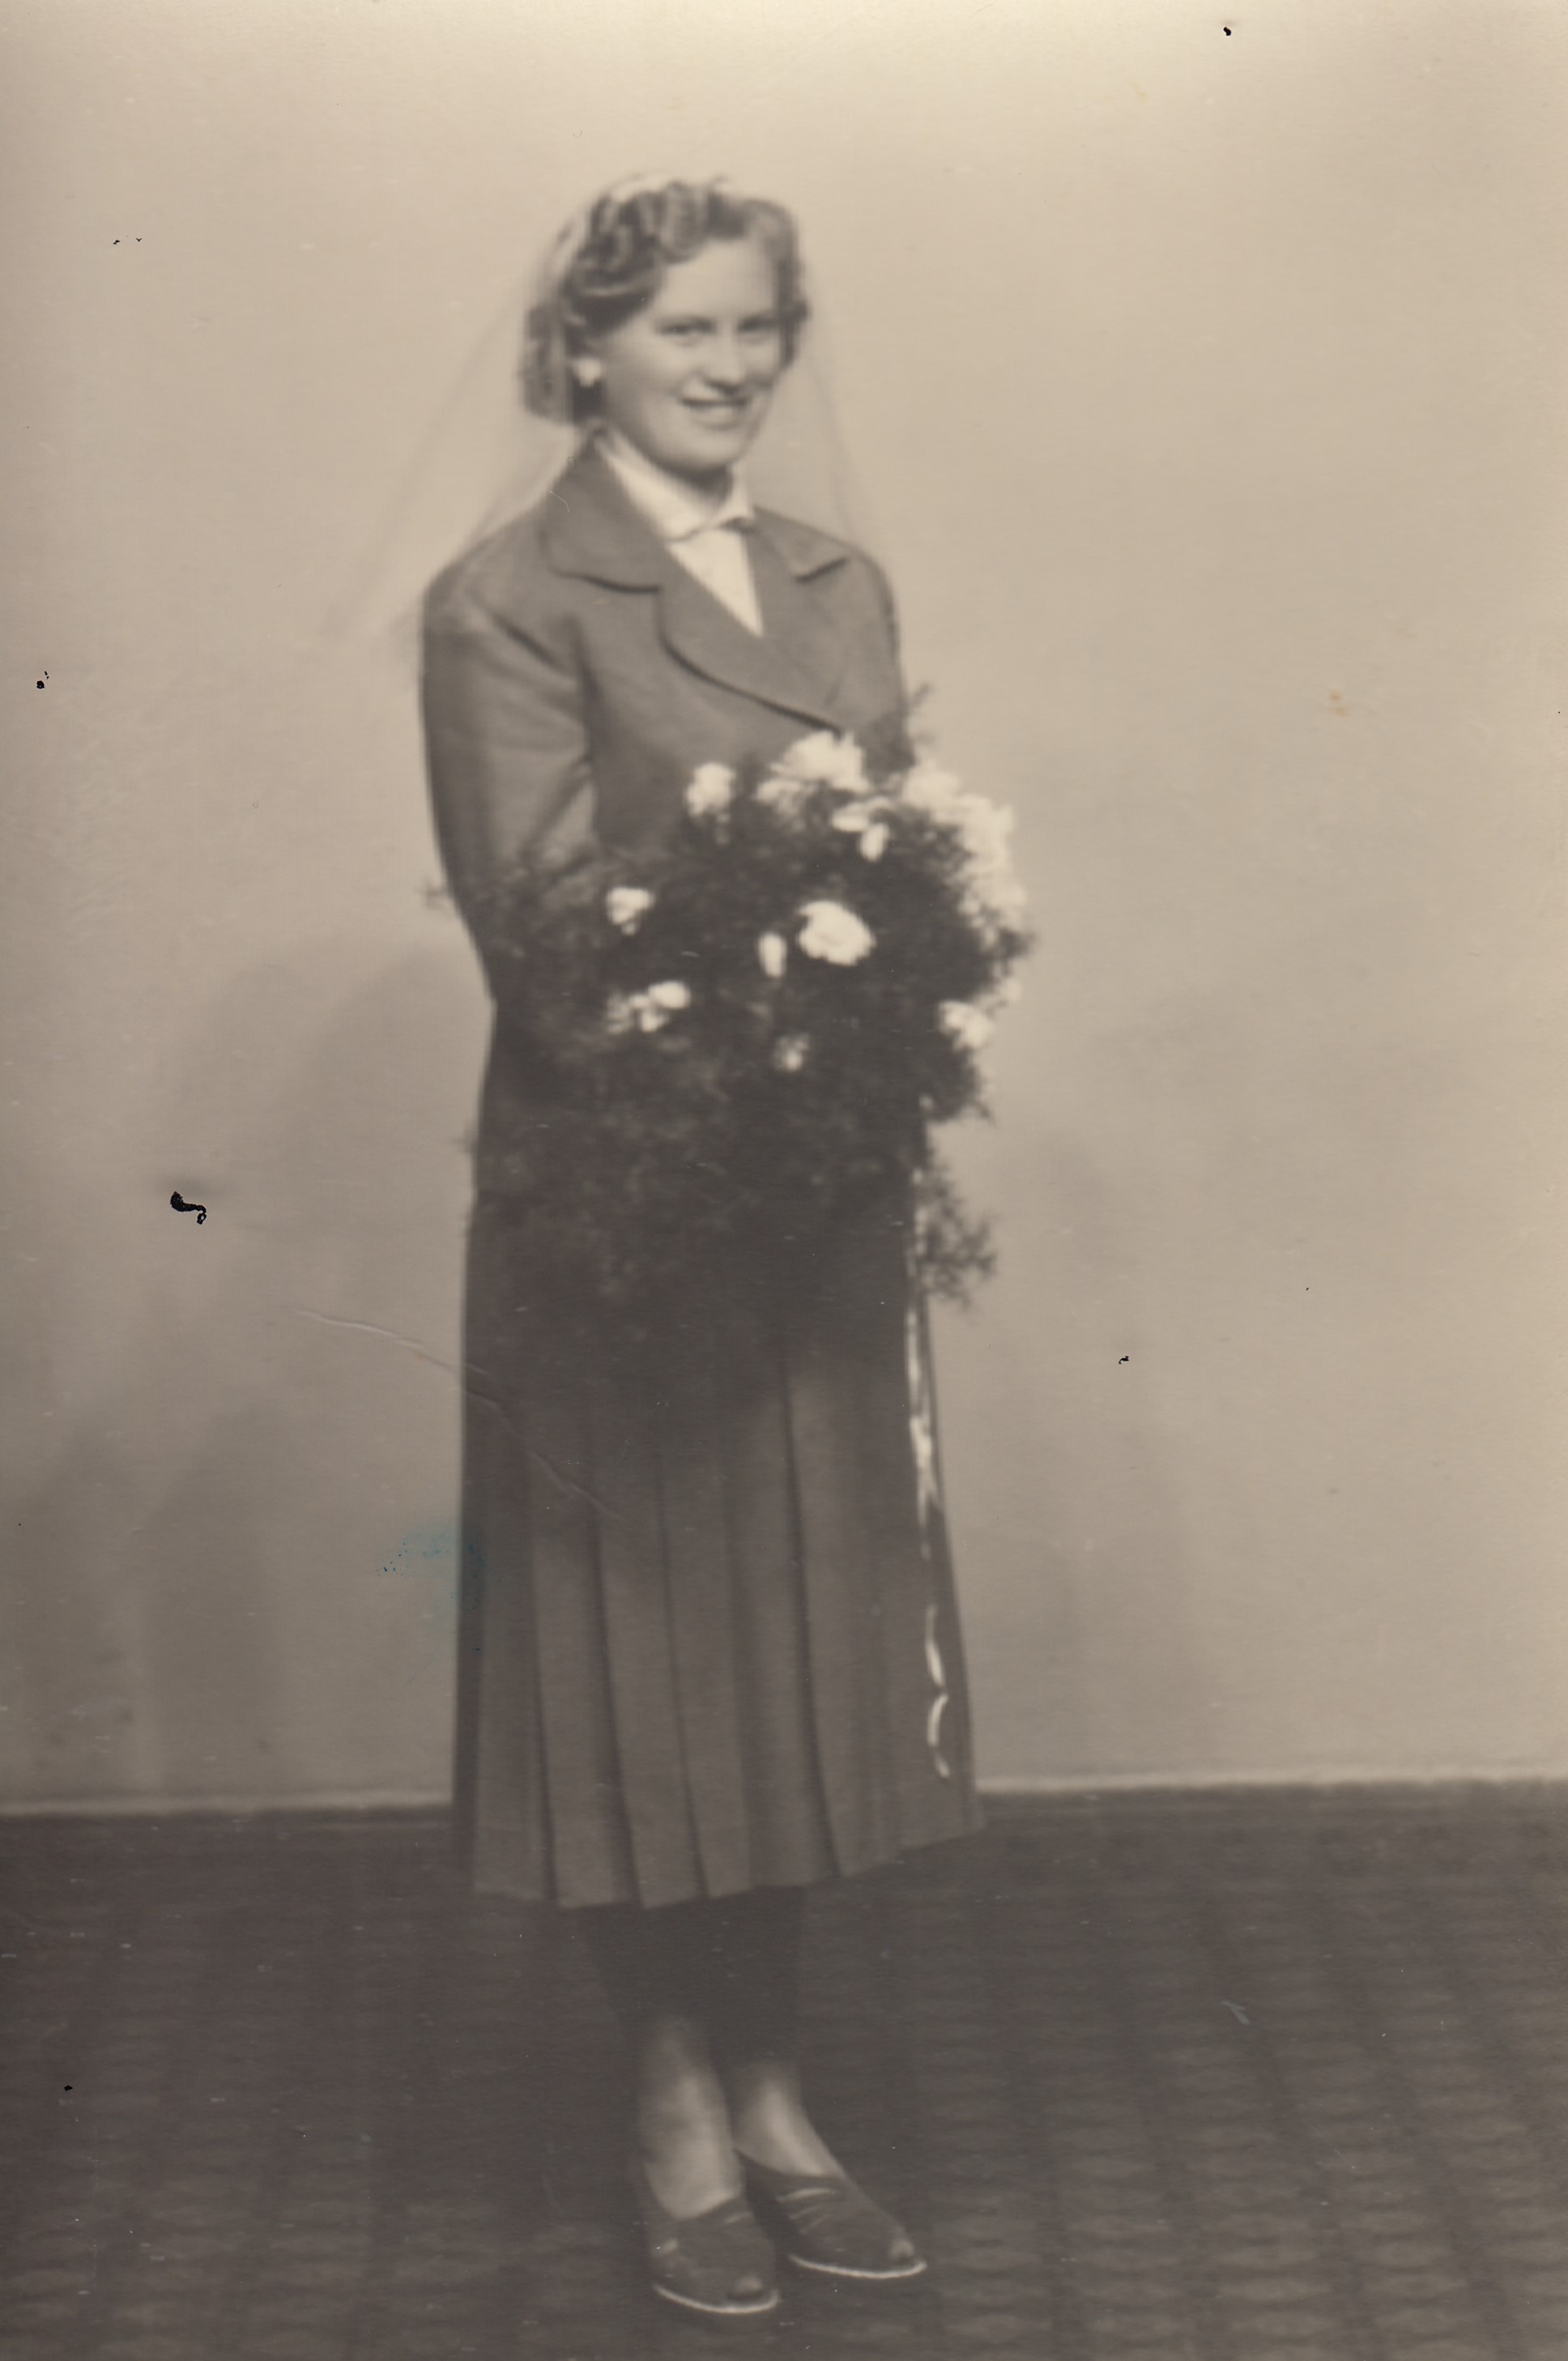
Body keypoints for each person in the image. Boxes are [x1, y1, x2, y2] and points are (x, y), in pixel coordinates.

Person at [419, 175, 983, 2321]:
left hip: (820, 1211)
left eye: (757, 330)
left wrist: (889, 1020)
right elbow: (554, 941)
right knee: (645, 1673)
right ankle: (673, 2105)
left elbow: (898, 869)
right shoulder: (510, 602)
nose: (730, 369)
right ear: (588, 352)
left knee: (795, 1663)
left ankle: (777, 2092)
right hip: (636, 1205)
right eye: (685, 332)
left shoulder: (838, 580)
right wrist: (788, 1046)